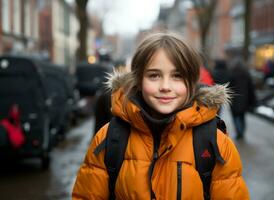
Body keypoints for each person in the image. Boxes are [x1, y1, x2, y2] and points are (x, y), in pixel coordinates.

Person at [72, 32, 249, 199]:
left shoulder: (215, 143)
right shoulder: (110, 138)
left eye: (177, 76)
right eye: (154, 75)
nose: (165, 86)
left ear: (192, 83)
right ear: (139, 80)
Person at [228, 58, 256, 140]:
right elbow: (251, 88)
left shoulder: (232, 74)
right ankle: (242, 132)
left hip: (234, 100)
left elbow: (229, 88)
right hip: (244, 100)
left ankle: (239, 132)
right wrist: (252, 100)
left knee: (235, 117)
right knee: (242, 117)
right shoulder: (247, 75)